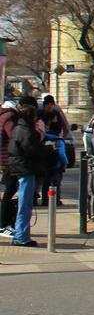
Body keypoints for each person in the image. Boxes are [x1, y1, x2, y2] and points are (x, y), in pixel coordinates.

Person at [7, 98, 49, 247]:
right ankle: (21, 237)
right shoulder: (26, 131)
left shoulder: (19, 128)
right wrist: (48, 149)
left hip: (21, 168)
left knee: (24, 204)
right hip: (25, 169)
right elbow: (32, 151)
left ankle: (21, 235)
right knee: (25, 205)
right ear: (31, 117)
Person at [38, 95, 72, 207]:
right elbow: (61, 153)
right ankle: (56, 200)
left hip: (46, 164)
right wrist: (65, 163)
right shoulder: (58, 140)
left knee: (46, 183)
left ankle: (45, 201)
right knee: (56, 183)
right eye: (47, 104)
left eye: (51, 104)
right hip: (57, 165)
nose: (49, 106)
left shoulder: (45, 138)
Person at [0, 97, 19, 238]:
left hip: (4, 159)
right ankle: (3, 224)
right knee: (9, 192)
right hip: (8, 159)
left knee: (8, 192)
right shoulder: (10, 116)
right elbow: (14, 136)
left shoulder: (3, 115)